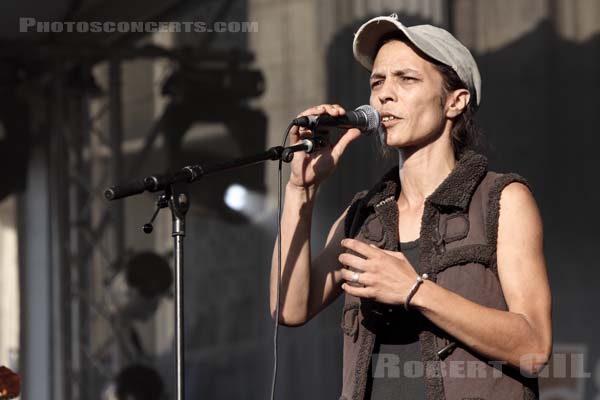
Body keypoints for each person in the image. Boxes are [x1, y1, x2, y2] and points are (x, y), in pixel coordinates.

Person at [270, 13, 552, 400]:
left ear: (455, 101)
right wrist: (300, 190)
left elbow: (534, 346)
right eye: (377, 81)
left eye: (407, 79)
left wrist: (414, 290)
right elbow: (289, 307)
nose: (385, 93)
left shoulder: (501, 199)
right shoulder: (365, 216)